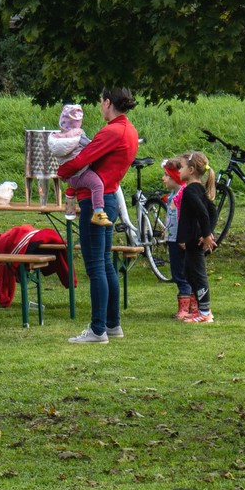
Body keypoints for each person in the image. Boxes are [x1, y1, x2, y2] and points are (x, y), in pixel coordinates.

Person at [57, 87, 139, 343]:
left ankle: (98, 329)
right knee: (104, 263)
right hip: (110, 197)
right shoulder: (129, 129)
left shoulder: (113, 131)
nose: (100, 107)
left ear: (107, 102)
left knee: (95, 266)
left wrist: (61, 171)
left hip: (96, 203)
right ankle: (112, 325)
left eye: (100, 103)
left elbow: (83, 158)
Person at [166, 151, 218, 323]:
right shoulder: (197, 189)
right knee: (189, 273)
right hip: (190, 240)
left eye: (181, 167)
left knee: (197, 274)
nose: (178, 171)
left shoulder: (190, 191)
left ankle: (205, 312)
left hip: (195, 240)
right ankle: (199, 311)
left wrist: (207, 235)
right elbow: (212, 211)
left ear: (191, 170)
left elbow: (204, 213)